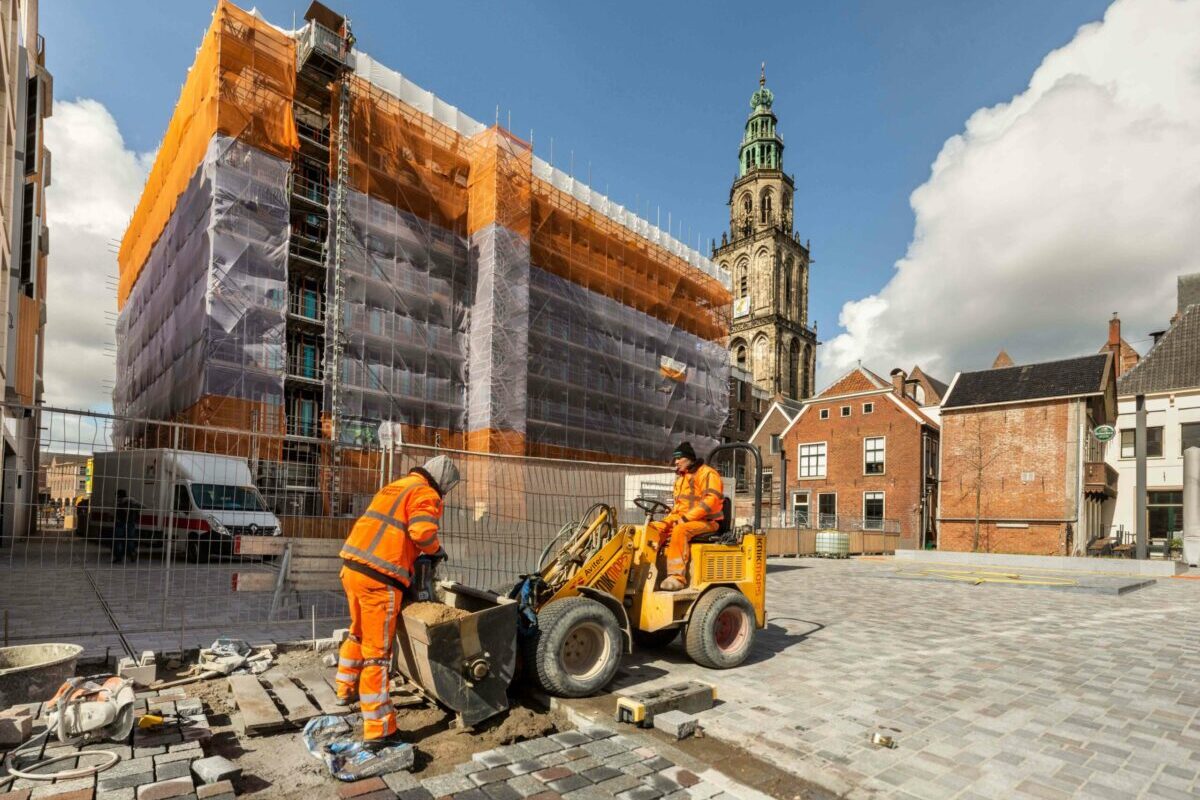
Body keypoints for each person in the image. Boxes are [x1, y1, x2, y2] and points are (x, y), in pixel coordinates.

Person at [334, 454, 459, 749]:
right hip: (381, 577)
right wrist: (436, 550)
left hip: (353, 567)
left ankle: (345, 688)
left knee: (358, 632)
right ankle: (379, 731)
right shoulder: (425, 493)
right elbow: (422, 532)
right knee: (378, 654)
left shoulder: (397, 485)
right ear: (442, 483)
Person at [649, 442, 724, 591]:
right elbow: (680, 506)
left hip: (707, 522)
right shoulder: (680, 479)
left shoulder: (707, 473)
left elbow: (711, 501)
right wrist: (669, 518)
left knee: (680, 530)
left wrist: (685, 519)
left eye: (679, 458)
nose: (675, 462)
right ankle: (647, 570)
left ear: (689, 458)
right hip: (683, 519)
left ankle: (677, 577)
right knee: (651, 529)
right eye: (675, 459)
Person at [112, 489, 141, 564]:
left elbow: (117, 513)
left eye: (117, 495)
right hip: (130, 523)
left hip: (121, 523)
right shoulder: (132, 501)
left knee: (118, 541)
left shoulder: (122, 502)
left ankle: (119, 557)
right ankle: (132, 554)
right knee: (129, 540)